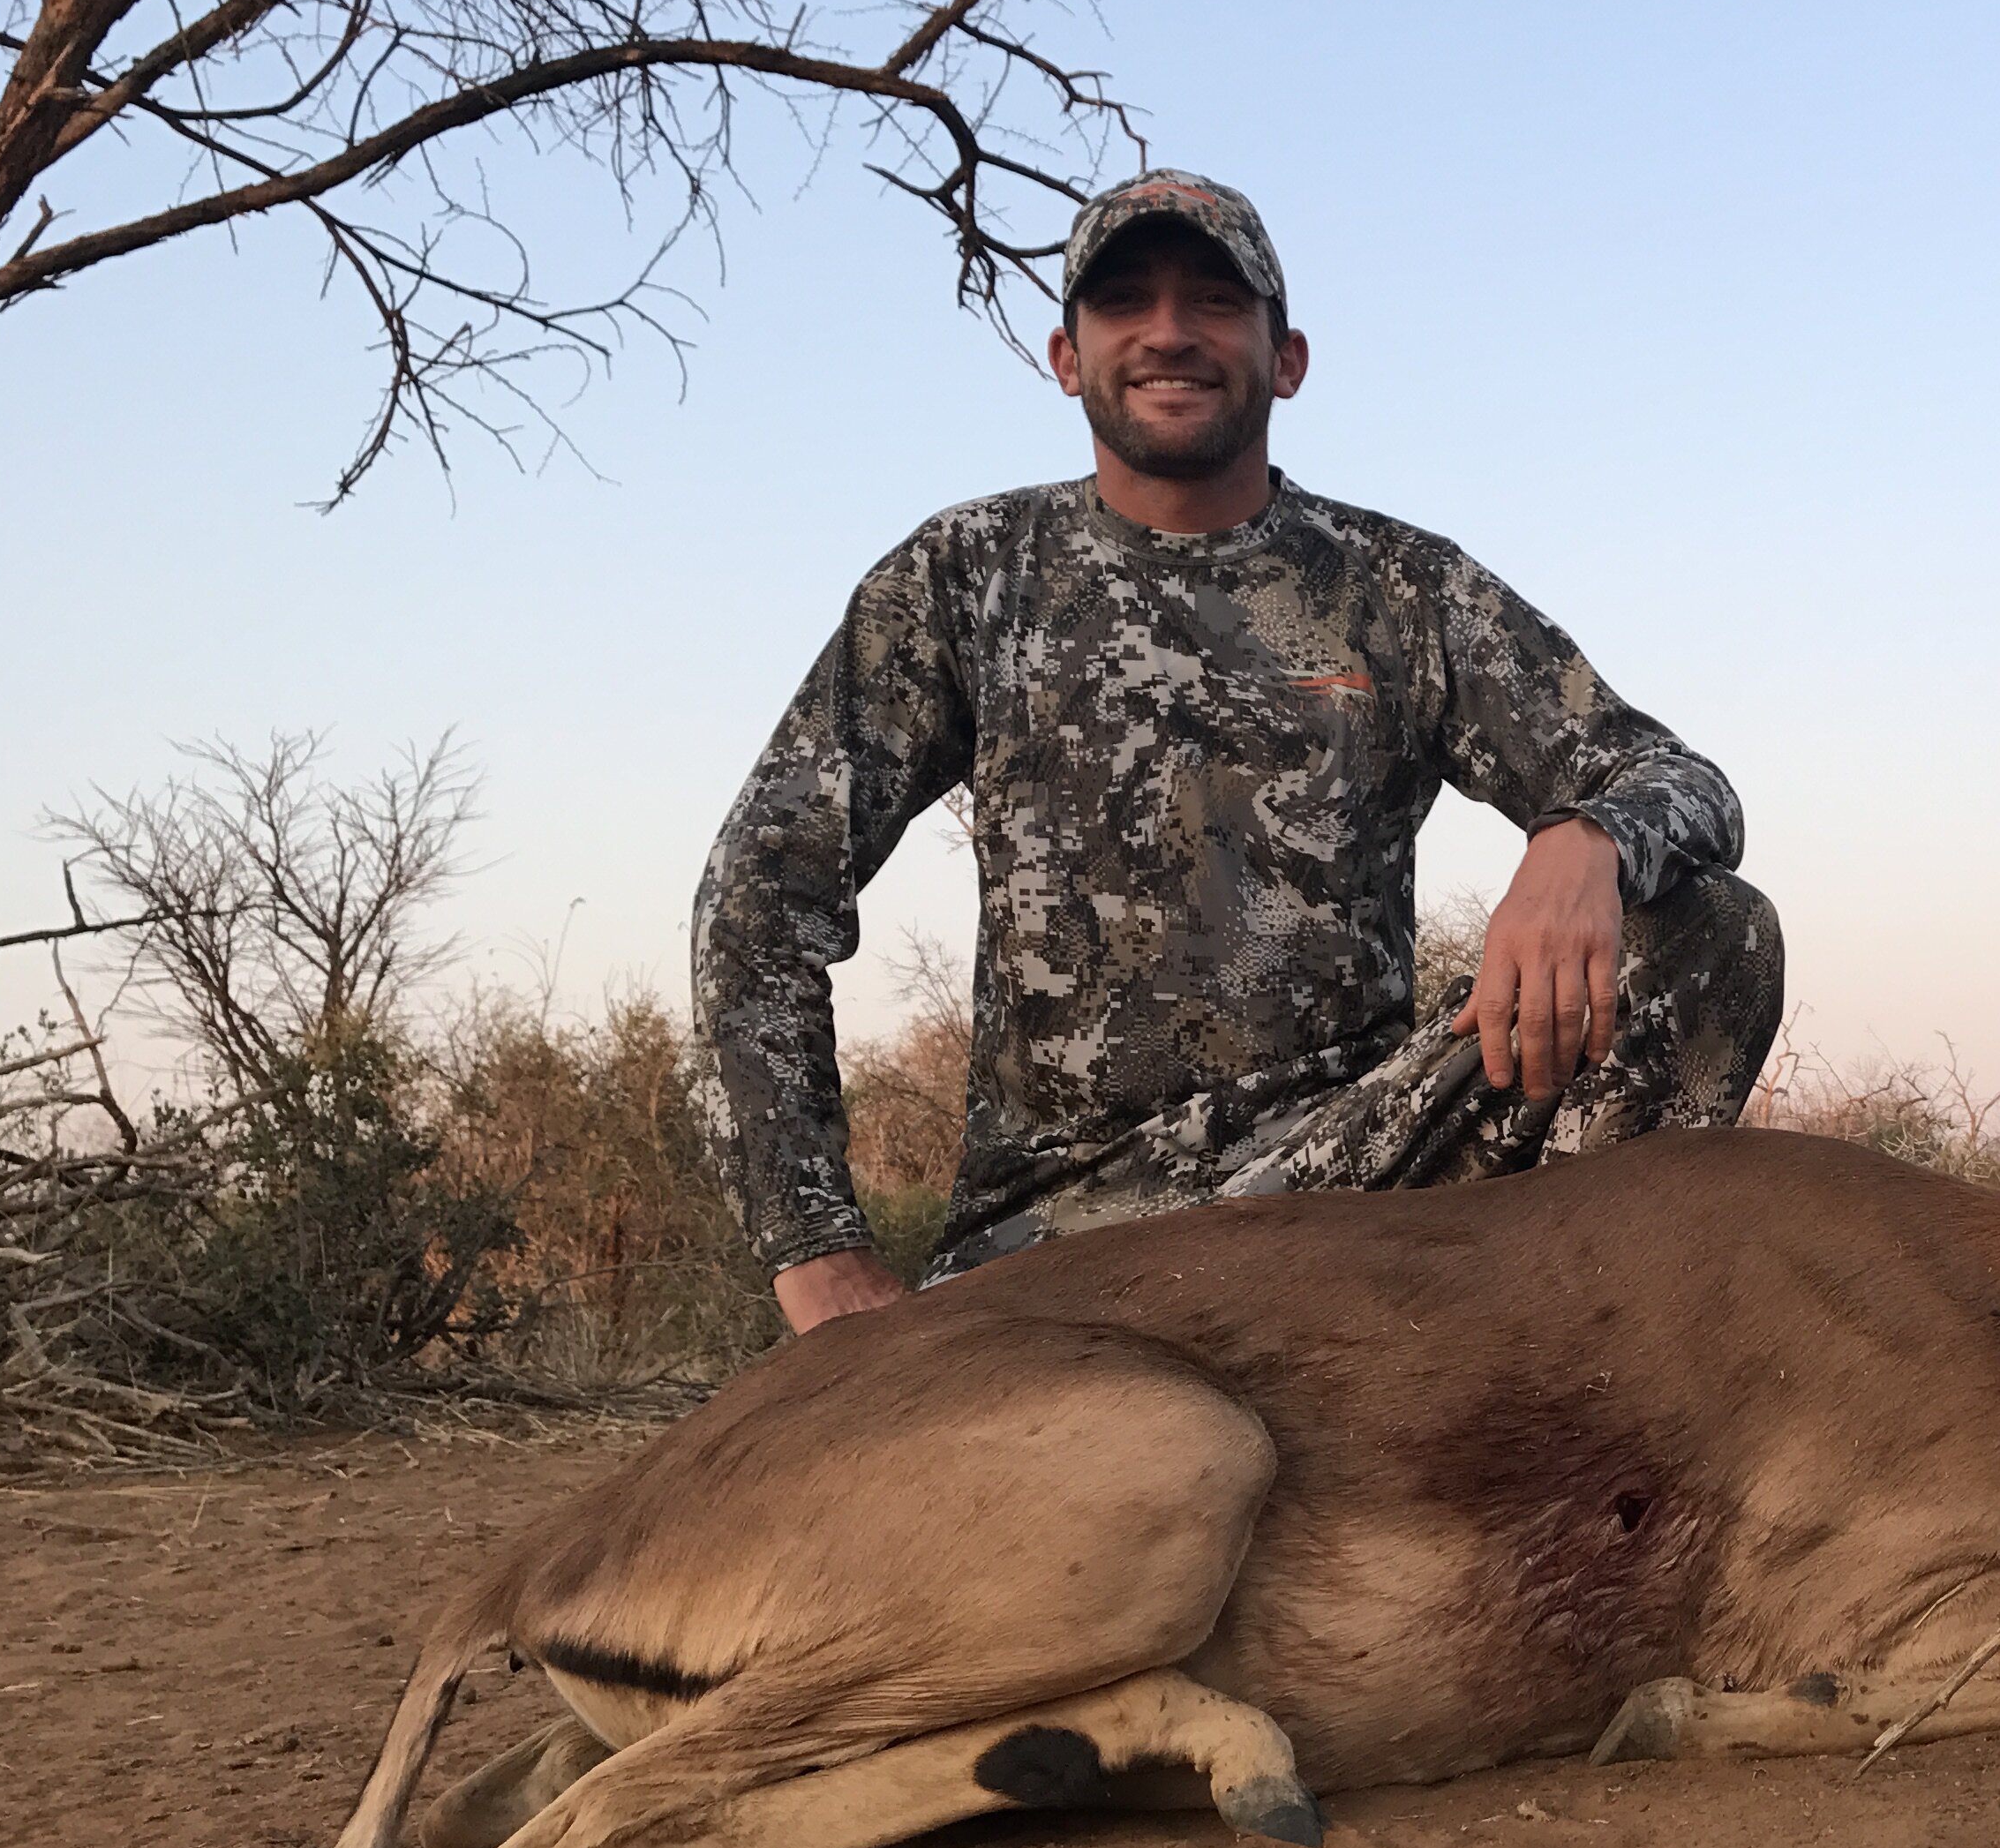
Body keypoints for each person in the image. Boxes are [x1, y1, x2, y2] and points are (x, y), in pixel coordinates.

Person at [695, 169, 1784, 1331]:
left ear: (1288, 357)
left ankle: (1564, 1373)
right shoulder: (965, 573)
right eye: (1126, 304)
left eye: (1215, 301)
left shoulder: (1399, 586)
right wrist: (816, 1250)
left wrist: (1589, 837)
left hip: (1350, 1191)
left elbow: (1682, 783)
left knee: (1714, 932)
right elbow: (764, 887)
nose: (1170, 333)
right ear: (1069, 358)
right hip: (1054, 1231)